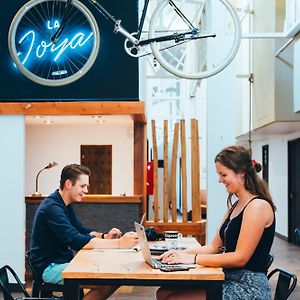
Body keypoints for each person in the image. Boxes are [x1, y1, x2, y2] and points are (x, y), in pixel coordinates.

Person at [156, 145, 276, 300]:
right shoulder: (236, 205)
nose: (220, 180)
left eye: (223, 174)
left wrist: (193, 259)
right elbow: (215, 247)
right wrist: (180, 254)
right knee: (163, 293)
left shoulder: (258, 206)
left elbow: (241, 257)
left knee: (173, 298)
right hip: (228, 277)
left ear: (241, 174)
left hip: (248, 286)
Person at [30, 163, 139, 300]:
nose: (86, 190)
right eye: (83, 186)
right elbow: (76, 241)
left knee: (110, 278)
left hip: (61, 261)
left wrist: (105, 236)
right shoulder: (52, 207)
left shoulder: (63, 203)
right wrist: (119, 243)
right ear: (69, 183)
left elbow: (81, 230)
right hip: (48, 267)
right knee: (107, 282)